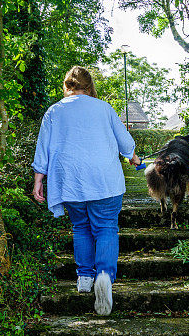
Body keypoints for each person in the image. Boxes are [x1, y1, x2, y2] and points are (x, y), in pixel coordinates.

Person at [31, 66, 141, 315]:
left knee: (80, 227)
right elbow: (124, 141)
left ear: (67, 86)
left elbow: (43, 149)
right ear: (89, 86)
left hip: (71, 181)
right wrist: (133, 157)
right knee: (106, 228)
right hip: (104, 180)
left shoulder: (54, 111)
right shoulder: (103, 108)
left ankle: (84, 278)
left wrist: (39, 180)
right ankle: (104, 277)